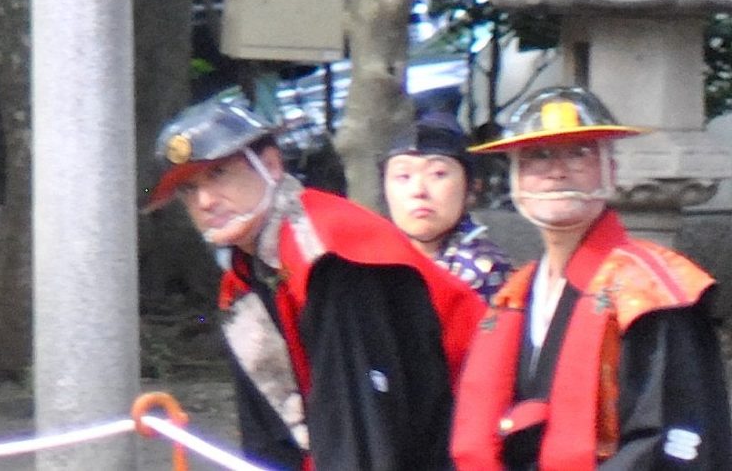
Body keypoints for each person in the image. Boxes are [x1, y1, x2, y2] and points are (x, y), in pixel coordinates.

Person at [154, 91, 483, 471]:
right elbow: (269, 438)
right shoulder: (243, 281)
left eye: (218, 173)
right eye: (189, 189)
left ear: (272, 166)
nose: (205, 200)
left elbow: (361, 428)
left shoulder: (333, 251)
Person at [453, 86, 730, 471]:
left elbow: (668, 433)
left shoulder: (653, 290)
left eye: (579, 152)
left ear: (611, 170)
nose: (557, 170)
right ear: (515, 176)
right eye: (538, 156)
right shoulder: (514, 294)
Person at [386, 115, 514, 296]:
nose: (418, 191)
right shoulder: (373, 260)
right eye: (403, 176)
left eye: (438, 174)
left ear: (471, 188)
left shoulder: (483, 267)